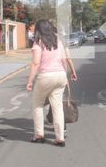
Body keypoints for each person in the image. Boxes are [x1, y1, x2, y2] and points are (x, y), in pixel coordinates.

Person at [26, 19, 70, 147]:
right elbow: (63, 60)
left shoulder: (38, 43)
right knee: (58, 107)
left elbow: (35, 63)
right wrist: (65, 77)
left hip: (45, 76)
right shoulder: (58, 41)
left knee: (38, 105)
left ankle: (39, 135)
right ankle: (60, 138)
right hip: (60, 75)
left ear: (38, 30)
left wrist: (30, 81)